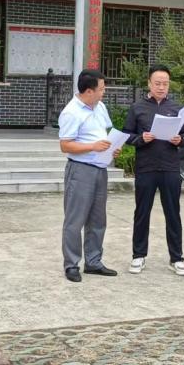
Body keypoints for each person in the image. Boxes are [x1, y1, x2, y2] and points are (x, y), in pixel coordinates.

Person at [123, 65, 184, 276]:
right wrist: (141, 138)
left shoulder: (177, 108)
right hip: (146, 167)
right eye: (157, 83)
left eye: (165, 84)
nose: (162, 87)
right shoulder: (137, 108)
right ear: (149, 84)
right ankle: (138, 255)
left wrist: (180, 140)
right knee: (142, 212)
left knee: (173, 213)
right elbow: (126, 135)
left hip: (170, 167)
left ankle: (177, 258)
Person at [58, 68, 119, 283]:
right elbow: (65, 145)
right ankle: (71, 264)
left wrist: (112, 147)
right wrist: (93, 146)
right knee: (75, 220)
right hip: (80, 170)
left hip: (100, 168)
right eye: (101, 89)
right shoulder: (71, 112)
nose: (104, 92)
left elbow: (105, 133)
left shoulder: (99, 106)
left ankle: (93, 261)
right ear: (89, 91)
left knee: (97, 219)